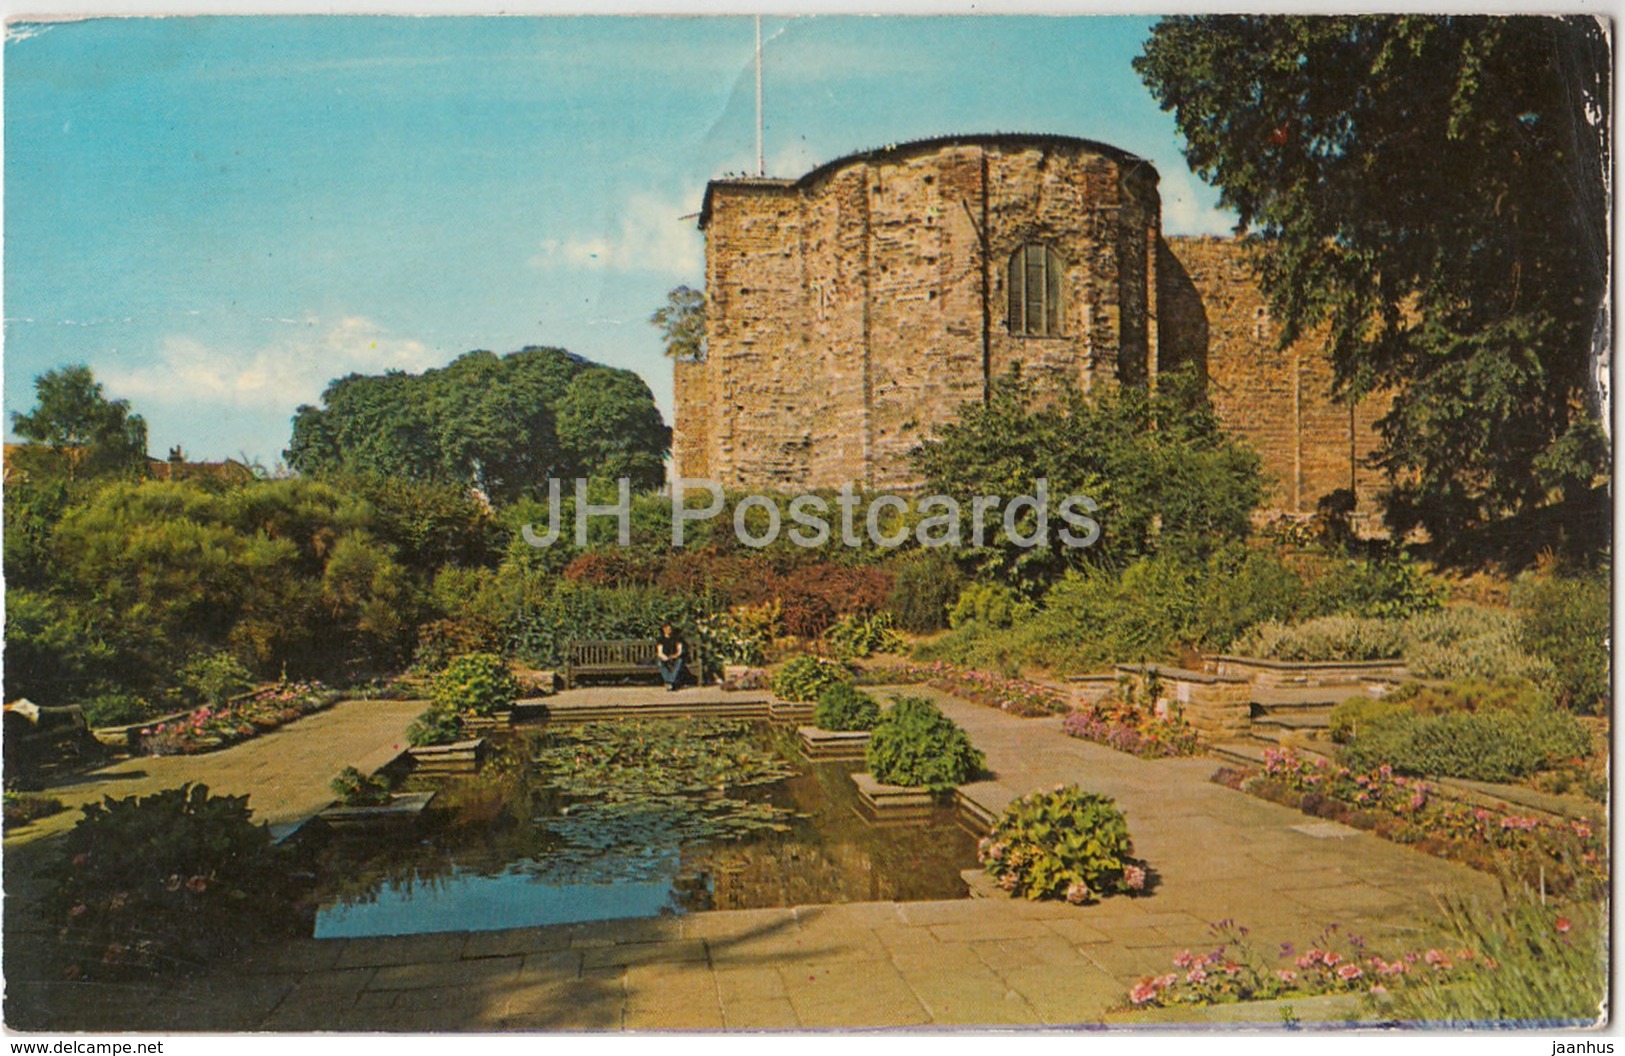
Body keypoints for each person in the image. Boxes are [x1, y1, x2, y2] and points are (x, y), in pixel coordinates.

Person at [656, 622, 685, 692]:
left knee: (680, 661)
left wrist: (674, 656)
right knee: (659, 662)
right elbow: (659, 652)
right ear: (663, 629)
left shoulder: (677, 638)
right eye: (667, 629)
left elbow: (679, 651)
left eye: (670, 629)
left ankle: (669, 682)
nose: (669, 630)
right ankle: (670, 681)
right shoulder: (661, 639)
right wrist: (664, 657)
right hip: (665, 657)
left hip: (675, 657)